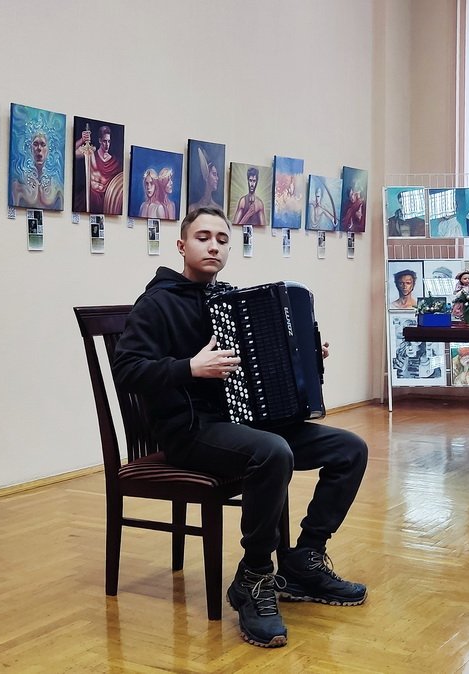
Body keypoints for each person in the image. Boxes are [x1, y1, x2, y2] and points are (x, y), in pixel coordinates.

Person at [111, 206, 368, 648]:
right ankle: (254, 576)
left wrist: (304, 356)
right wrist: (191, 367)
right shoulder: (156, 304)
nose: (213, 246)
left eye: (222, 239)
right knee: (272, 452)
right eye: (203, 237)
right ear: (181, 246)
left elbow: (257, 366)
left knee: (349, 449)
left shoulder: (231, 300)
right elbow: (127, 371)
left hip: (241, 423)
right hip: (189, 432)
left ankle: (304, 560)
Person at [74, 124, 123, 214]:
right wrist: (82, 140)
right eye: (104, 141)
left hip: (105, 202)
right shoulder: (90, 153)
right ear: (100, 140)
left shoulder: (115, 162)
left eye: (109, 141)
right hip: (90, 198)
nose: (107, 145)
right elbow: (73, 153)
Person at [12, 128, 62, 209]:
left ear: (48, 150)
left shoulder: (56, 186)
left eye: (43, 144)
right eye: (35, 144)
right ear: (30, 149)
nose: (39, 148)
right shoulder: (19, 184)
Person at [187, 146, 222, 211]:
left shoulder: (218, 209)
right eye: (214, 174)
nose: (217, 178)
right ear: (206, 175)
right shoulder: (192, 208)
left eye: (217, 175)